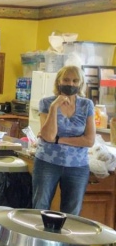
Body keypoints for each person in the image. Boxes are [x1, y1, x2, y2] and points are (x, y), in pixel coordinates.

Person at [32, 65, 95, 215]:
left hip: (77, 166)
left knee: (72, 212)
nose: (70, 84)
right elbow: (48, 136)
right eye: (66, 80)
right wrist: (54, 107)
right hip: (47, 163)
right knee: (40, 207)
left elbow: (89, 140)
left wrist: (58, 140)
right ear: (59, 81)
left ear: (80, 83)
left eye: (75, 80)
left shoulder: (87, 105)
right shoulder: (46, 103)